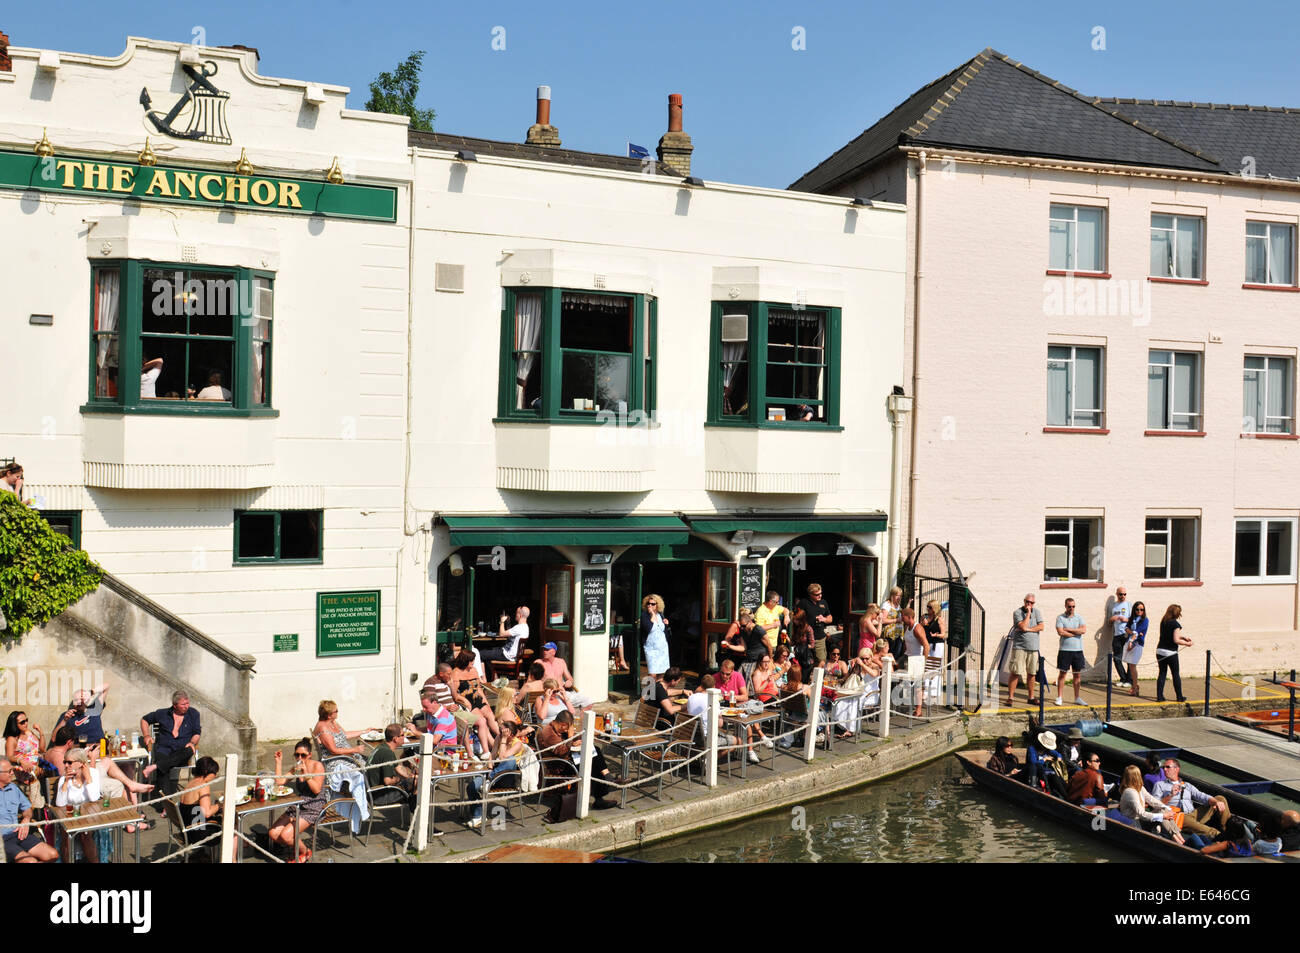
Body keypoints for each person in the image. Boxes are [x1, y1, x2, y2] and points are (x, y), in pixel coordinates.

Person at [536, 711, 624, 815]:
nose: (567, 730)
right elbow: (561, 751)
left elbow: (564, 744)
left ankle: (606, 779)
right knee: (591, 762)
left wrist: (575, 741)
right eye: (568, 727)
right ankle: (601, 792)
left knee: (594, 750)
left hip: (566, 759)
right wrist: (570, 737)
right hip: (558, 765)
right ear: (563, 724)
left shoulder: (556, 727)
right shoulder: (549, 734)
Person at [267, 739, 326, 863]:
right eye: (297, 755)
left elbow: (316, 790)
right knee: (273, 833)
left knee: (285, 835)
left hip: (313, 806)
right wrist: (278, 762)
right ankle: (295, 849)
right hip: (299, 804)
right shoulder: (297, 766)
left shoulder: (317, 766)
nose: (300, 757)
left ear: (309, 755)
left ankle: (305, 851)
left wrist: (305, 773)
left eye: (303, 755)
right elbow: (280, 782)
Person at [466, 720, 531, 828]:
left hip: (507, 777)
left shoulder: (518, 744)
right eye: (501, 731)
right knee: (471, 786)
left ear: (510, 733)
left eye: (503, 731)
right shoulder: (498, 737)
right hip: (494, 773)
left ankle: (489, 780)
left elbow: (502, 758)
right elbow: (493, 754)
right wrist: (489, 767)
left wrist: (504, 740)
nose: (501, 733)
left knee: (510, 760)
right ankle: (478, 816)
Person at [1151, 757, 1229, 845]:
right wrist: (1171, 795)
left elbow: (1201, 796)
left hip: (1193, 814)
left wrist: (1216, 802)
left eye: (1168, 767)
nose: (1164, 769)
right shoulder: (1160, 785)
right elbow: (1155, 805)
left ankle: (1228, 829)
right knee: (1188, 819)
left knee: (1220, 799)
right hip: (1178, 817)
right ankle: (1219, 836)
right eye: (1163, 767)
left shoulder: (1187, 785)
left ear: (1176, 769)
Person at [140, 690, 201, 794]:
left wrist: (192, 742)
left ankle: (155, 766)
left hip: (182, 751)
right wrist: (146, 735)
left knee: (189, 750)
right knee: (163, 767)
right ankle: (166, 803)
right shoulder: (162, 713)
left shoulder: (193, 714)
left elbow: (197, 732)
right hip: (164, 749)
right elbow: (144, 720)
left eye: (187, 703)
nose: (186, 706)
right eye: (183, 704)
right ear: (174, 705)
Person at [0, 757, 58, 863]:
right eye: (9, 771)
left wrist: (26, 819)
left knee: (52, 855)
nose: (12, 773)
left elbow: (27, 808)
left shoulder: (13, 788)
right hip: (2, 839)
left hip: (19, 834)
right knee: (30, 861)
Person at [1117, 764, 1184, 844]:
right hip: (1133, 824)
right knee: (1162, 814)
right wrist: (1163, 816)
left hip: (1140, 820)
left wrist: (1167, 808)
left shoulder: (1140, 788)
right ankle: (1177, 841)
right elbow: (1141, 814)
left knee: (1163, 809)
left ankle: (1180, 838)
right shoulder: (1130, 792)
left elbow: (1151, 800)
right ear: (1137, 776)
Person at [56, 748, 102, 862]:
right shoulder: (64, 778)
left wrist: (88, 778)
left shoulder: (93, 773)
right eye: (64, 762)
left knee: (84, 834)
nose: (66, 765)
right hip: (70, 815)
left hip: (89, 815)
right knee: (66, 834)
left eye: (69, 762)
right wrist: (66, 782)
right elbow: (59, 803)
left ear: (81, 763)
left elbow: (94, 798)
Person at [450, 652, 500, 751]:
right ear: (465, 661)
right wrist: (463, 700)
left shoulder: (474, 670)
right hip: (467, 701)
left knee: (491, 716)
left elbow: (479, 688)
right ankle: (493, 747)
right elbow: (454, 694)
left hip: (477, 698)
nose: (473, 662)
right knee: (482, 720)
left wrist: (486, 701)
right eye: (471, 660)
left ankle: (504, 739)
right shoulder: (456, 673)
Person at [176, 756, 223, 861]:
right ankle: (232, 859)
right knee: (231, 824)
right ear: (206, 771)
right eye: (214, 773)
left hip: (187, 830)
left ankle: (205, 857)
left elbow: (196, 810)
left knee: (220, 818)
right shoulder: (203, 786)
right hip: (198, 833)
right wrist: (220, 805)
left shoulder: (190, 784)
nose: (215, 776)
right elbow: (207, 813)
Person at [366, 724, 415, 807]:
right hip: (378, 796)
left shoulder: (382, 747)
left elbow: (398, 768)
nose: (404, 737)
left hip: (371, 792)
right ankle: (416, 813)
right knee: (416, 783)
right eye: (402, 735)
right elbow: (388, 781)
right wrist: (399, 778)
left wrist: (412, 775)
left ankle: (414, 808)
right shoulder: (387, 753)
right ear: (395, 739)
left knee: (414, 780)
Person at [1007, 594, 1043, 707]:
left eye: (1032, 603)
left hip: (1033, 647)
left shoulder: (1037, 612)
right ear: (1024, 601)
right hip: (1020, 647)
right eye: (1028, 602)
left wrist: (1029, 629)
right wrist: (1028, 613)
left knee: (1032, 673)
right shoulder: (1017, 612)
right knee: (1015, 672)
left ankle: (1031, 697)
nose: (1029, 604)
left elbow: (1041, 626)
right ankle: (1010, 697)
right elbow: (1022, 626)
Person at [312, 700, 368, 766]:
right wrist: (354, 749)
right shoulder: (323, 729)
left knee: (373, 760)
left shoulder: (332, 722)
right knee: (373, 765)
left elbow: (345, 735)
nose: (337, 712)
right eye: (336, 711)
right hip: (337, 760)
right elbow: (333, 750)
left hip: (347, 755)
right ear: (329, 715)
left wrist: (365, 731)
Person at [539, 641, 593, 710]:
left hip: (562, 693)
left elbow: (570, 678)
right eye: (544, 649)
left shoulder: (561, 662)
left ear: (554, 652)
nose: (544, 651)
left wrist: (569, 682)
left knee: (588, 701)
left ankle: (578, 718)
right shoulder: (539, 663)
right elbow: (533, 681)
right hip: (548, 695)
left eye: (547, 650)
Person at [3, 711, 45, 801]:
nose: (26, 723)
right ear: (15, 724)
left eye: (26, 720)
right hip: (24, 770)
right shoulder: (12, 739)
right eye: (22, 722)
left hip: (36, 767)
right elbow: (9, 756)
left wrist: (40, 731)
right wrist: (21, 761)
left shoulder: (28, 733)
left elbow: (42, 749)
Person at [1053, 598, 1087, 706]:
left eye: (1073, 606)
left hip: (1077, 650)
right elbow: (1060, 632)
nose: (1071, 608)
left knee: (1077, 675)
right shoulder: (1060, 618)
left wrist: (1068, 629)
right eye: (1069, 606)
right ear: (1065, 606)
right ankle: (1059, 697)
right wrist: (1075, 633)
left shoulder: (1079, 618)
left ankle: (1077, 697)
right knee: (1062, 674)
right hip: (1065, 650)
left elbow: (1083, 630)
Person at [1155, 604, 1191, 703]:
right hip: (1170, 652)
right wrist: (1187, 643)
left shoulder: (1164, 621)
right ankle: (1179, 696)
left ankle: (1159, 696)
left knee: (1162, 673)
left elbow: (1170, 635)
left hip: (1160, 650)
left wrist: (1183, 637)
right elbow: (1175, 640)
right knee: (1175, 674)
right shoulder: (1175, 624)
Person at [795, 582, 835, 663]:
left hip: (819, 637)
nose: (820, 596)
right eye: (817, 594)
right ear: (810, 594)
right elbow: (796, 619)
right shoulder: (804, 603)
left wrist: (824, 619)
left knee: (821, 661)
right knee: (805, 661)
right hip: (806, 638)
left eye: (821, 593)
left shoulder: (823, 602)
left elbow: (830, 618)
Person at [902, 607, 930, 717]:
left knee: (917, 685)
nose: (901, 618)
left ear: (909, 617)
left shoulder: (917, 628)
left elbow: (926, 646)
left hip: (917, 659)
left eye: (903, 617)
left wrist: (923, 662)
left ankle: (919, 709)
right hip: (908, 657)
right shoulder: (907, 627)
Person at [640, 594, 671, 679]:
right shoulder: (645, 615)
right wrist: (652, 615)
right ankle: (650, 692)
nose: (650, 605)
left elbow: (663, 631)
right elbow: (648, 628)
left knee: (662, 672)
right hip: (651, 648)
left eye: (653, 604)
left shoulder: (660, 615)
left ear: (658, 605)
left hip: (662, 648)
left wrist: (666, 624)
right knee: (652, 674)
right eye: (648, 603)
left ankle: (658, 692)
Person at [1107, 586, 1132, 686]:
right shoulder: (1113, 606)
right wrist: (1112, 619)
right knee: (1117, 658)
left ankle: (1129, 680)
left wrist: (1126, 620)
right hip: (1117, 634)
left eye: (1125, 594)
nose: (1123, 596)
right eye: (1121, 594)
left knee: (1129, 658)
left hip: (1126, 634)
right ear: (1117, 594)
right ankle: (1123, 678)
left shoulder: (1129, 605)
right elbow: (1108, 621)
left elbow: (1134, 619)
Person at [1122, 602, 1148, 696]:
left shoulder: (1144, 620)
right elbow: (1126, 627)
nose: (1139, 611)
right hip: (1130, 642)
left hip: (1137, 644)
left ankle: (1135, 687)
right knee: (1130, 666)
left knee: (1133, 665)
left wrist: (1131, 641)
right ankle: (1134, 686)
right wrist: (1131, 632)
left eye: (1142, 609)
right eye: (1137, 609)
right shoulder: (1132, 618)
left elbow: (1138, 632)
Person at [881, 587, 905, 658]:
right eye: (897, 595)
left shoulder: (898, 606)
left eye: (900, 596)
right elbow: (883, 620)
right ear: (892, 595)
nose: (899, 597)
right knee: (890, 655)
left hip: (899, 634)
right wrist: (896, 620)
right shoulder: (887, 604)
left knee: (897, 656)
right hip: (890, 635)